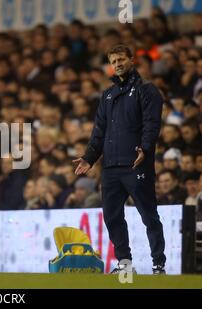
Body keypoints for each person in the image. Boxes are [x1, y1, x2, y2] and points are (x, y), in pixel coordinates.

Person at [73, 45, 166, 274]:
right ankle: (125, 263)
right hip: (111, 168)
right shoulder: (107, 95)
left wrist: (145, 148)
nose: (117, 64)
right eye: (113, 61)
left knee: (148, 214)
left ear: (131, 60)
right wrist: (89, 157)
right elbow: (99, 130)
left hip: (135, 163)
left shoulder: (147, 89)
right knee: (112, 217)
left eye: (121, 59)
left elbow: (152, 124)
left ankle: (158, 264)